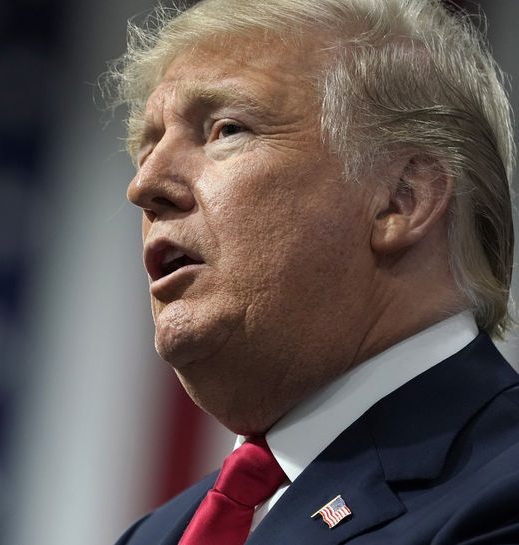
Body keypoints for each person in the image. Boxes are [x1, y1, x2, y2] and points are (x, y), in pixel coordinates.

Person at [104, 0, 519, 543]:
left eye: (225, 130)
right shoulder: (153, 536)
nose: (144, 186)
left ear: (402, 200)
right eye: (147, 148)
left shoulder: (502, 498)